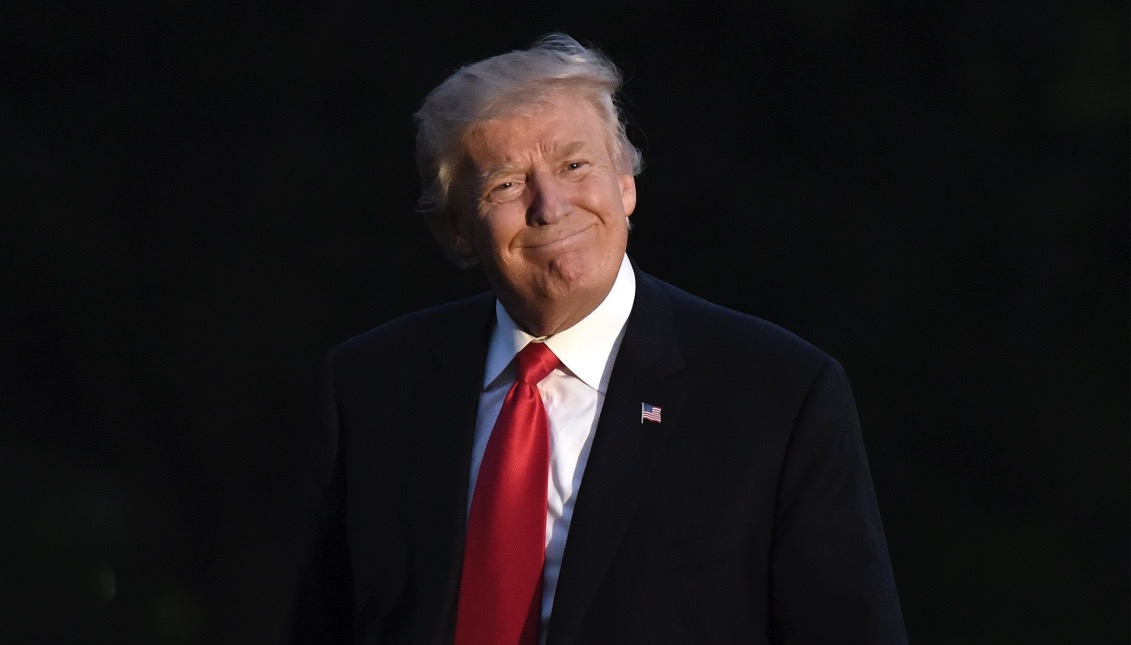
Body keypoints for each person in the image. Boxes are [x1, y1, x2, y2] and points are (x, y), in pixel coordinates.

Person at [286, 34, 907, 645]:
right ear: (456, 230)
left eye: (574, 166)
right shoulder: (372, 386)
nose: (550, 206)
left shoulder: (777, 393)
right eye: (506, 184)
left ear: (626, 182)